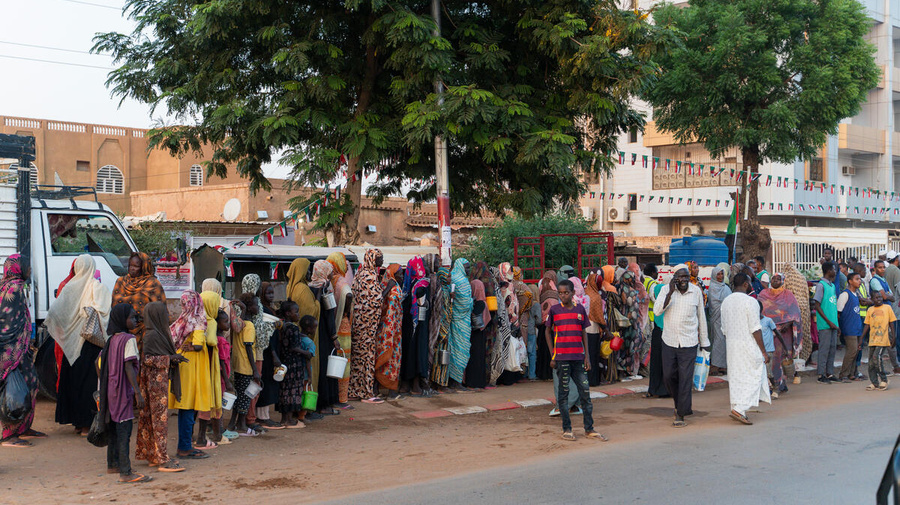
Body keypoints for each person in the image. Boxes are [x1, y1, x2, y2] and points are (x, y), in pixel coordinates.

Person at [46, 254, 111, 435]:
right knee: (88, 384)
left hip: (71, 345)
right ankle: (85, 424)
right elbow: (104, 312)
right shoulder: (97, 288)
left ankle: (76, 422)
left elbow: (56, 313)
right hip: (90, 343)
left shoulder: (69, 288)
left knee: (73, 381)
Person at [546, 279, 605, 442]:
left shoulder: (580, 310)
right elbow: (547, 331)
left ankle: (589, 428)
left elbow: (584, 333)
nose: (563, 295)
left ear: (573, 293)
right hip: (562, 359)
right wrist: (553, 355)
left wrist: (587, 356)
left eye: (566, 292)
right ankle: (567, 429)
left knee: (585, 394)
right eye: (560, 293)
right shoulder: (554, 310)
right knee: (563, 396)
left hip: (578, 358)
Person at [653, 264, 709, 428]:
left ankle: (681, 413)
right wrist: (670, 292)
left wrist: (704, 342)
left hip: (689, 342)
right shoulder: (665, 290)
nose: (683, 280)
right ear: (674, 278)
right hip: (669, 340)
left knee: (685, 378)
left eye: (685, 276)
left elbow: (701, 317)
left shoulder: (696, 291)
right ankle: (679, 404)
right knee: (668, 376)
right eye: (680, 277)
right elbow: (657, 312)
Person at [99, 304, 150, 483]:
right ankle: (126, 472)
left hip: (111, 389)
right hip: (123, 390)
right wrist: (138, 393)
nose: (135, 320)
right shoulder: (128, 339)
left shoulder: (112, 339)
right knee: (124, 430)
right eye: (132, 317)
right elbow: (128, 366)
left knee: (113, 427)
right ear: (122, 319)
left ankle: (112, 464)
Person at [135, 302, 186, 472]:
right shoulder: (152, 335)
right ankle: (162, 459)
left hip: (158, 382)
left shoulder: (157, 333)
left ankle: (153, 455)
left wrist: (172, 357)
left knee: (153, 420)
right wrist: (169, 358)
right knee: (159, 421)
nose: (168, 314)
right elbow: (147, 359)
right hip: (154, 385)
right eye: (164, 312)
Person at [0, 255, 44, 448]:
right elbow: (10, 324)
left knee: (31, 383)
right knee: (13, 390)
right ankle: (8, 435)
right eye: (28, 267)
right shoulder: (14, 288)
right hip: (11, 351)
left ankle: (23, 427)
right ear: (19, 268)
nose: (30, 271)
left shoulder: (6, 285)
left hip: (18, 348)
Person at [721, 274, 771, 425]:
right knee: (755, 374)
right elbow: (756, 328)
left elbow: (723, 328)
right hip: (748, 344)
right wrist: (763, 351)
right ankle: (740, 408)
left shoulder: (726, 301)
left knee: (736, 376)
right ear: (745, 284)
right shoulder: (751, 301)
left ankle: (736, 406)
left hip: (731, 344)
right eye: (749, 283)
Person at [168, 291, 211, 461]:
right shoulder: (198, 318)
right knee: (188, 407)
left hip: (182, 364)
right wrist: (194, 347)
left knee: (184, 406)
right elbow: (199, 345)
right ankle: (184, 447)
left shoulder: (181, 319)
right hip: (192, 365)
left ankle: (185, 445)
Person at [286, 259, 323, 418]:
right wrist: (319, 296)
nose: (309, 274)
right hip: (306, 337)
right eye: (307, 270)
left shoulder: (290, 287)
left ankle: (298, 408)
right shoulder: (302, 289)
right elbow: (311, 311)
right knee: (309, 374)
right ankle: (306, 410)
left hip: (296, 338)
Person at [349, 250, 384, 403]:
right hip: (366, 325)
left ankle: (354, 390)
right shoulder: (369, 277)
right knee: (366, 357)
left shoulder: (359, 274)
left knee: (358, 357)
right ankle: (366, 393)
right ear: (372, 259)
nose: (382, 261)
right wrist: (387, 288)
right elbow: (376, 300)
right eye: (379, 258)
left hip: (358, 324)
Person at [757, 272, 802, 393]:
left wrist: (786, 324)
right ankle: (772, 384)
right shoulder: (763, 294)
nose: (775, 281)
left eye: (778, 279)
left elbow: (795, 312)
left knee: (781, 357)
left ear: (782, 281)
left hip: (784, 332)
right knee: (770, 358)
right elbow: (759, 310)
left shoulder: (788, 295)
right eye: (773, 278)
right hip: (768, 332)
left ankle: (781, 383)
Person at [111, 252, 166, 344]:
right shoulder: (121, 282)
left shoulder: (153, 284)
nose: (132, 268)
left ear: (144, 267)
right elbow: (115, 306)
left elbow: (160, 311)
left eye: (136, 266)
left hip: (146, 332)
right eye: (130, 265)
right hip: (123, 332)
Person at [309, 261, 340, 414]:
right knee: (326, 366)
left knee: (316, 367)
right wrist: (334, 336)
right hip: (325, 333)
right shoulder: (326, 287)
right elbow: (329, 313)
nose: (332, 274)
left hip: (313, 331)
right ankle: (325, 404)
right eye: (330, 271)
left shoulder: (310, 286)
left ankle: (315, 402)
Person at [195, 289, 224, 447]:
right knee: (209, 399)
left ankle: (195, 435)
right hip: (209, 365)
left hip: (196, 365)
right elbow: (212, 342)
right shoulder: (210, 321)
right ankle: (206, 437)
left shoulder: (195, 319)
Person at [277, 305, 315, 428]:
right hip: (293, 364)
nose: (298, 314)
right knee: (292, 392)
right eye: (296, 312)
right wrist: (306, 353)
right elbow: (294, 347)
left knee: (284, 391)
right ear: (288, 313)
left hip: (284, 362)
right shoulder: (293, 328)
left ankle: (284, 419)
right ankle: (289, 420)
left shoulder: (282, 326)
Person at [228, 295, 261, 436]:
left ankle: (232, 424)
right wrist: (255, 370)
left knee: (239, 396)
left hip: (237, 366)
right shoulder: (250, 326)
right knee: (245, 397)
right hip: (246, 367)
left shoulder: (239, 323)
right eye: (255, 305)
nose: (258, 307)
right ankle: (241, 426)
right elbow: (248, 347)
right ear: (249, 307)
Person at [376, 265, 404, 398]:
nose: (402, 277)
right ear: (393, 275)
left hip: (383, 331)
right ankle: (392, 392)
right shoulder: (395, 290)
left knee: (381, 359)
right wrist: (391, 332)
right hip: (392, 331)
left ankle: (377, 390)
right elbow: (391, 313)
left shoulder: (383, 287)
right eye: (399, 274)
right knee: (394, 360)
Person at [813, 262, 840, 384]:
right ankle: (821, 374)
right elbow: (817, 305)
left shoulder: (832, 286)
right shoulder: (821, 285)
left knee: (832, 348)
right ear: (829, 270)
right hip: (825, 324)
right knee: (824, 349)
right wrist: (828, 321)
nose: (835, 271)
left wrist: (835, 323)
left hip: (833, 323)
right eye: (834, 269)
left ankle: (829, 373)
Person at [448, 259, 473, 389]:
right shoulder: (462, 281)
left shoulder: (453, 278)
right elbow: (465, 303)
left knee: (457, 350)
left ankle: (455, 380)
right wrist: (471, 302)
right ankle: (456, 381)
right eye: (466, 267)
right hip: (460, 321)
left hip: (459, 321)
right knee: (460, 350)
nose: (468, 270)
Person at [837, 272, 866, 383]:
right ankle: (843, 374)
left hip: (857, 327)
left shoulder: (855, 294)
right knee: (852, 351)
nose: (860, 281)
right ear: (850, 281)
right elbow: (839, 312)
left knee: (856, 351)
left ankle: (852, 373)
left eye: (859, 279)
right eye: (857, 279)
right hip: (849, 328)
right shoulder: (845, 294)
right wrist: (840, 327)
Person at [863, 291, 895, 391]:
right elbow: (867, 325)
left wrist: (894, 337)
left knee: (877, 358)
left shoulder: (887, 308)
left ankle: (884, 380)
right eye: (876, 298)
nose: (879, 299)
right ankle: (874, 382)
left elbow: (892, 323)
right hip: (872, 340)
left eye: (880, 297)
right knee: (871, 362)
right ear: (872, 300)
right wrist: (861, 339)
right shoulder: (870, 310)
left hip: (883, 339)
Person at [784, 263, 813, 372]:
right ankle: (802, 359)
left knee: (792, 336)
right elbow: (806, 294)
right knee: (803, 333)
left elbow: (784, 293)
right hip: (804, 308)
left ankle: (792, 362)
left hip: (791, 309)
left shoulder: (786, 277)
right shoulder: (802, 278)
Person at [708, 263, 731, 375]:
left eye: (722, 274)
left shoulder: (725, 288)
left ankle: (723, 365)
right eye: (718, 274)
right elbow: (714, 303)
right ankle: (715, 365)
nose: (720, 276)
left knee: (725, 340)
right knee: (718, 340)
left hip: (726, 319)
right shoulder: (712, 287)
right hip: (716, 318)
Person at [758, 301, 778, 397]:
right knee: (760, 373)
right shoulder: (753, 322)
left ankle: (775, 389)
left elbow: (777, 333)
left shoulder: (768, 321)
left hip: (768, 350)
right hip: (758, 351)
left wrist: (785, 348)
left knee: (769, 373)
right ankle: (764, 392)